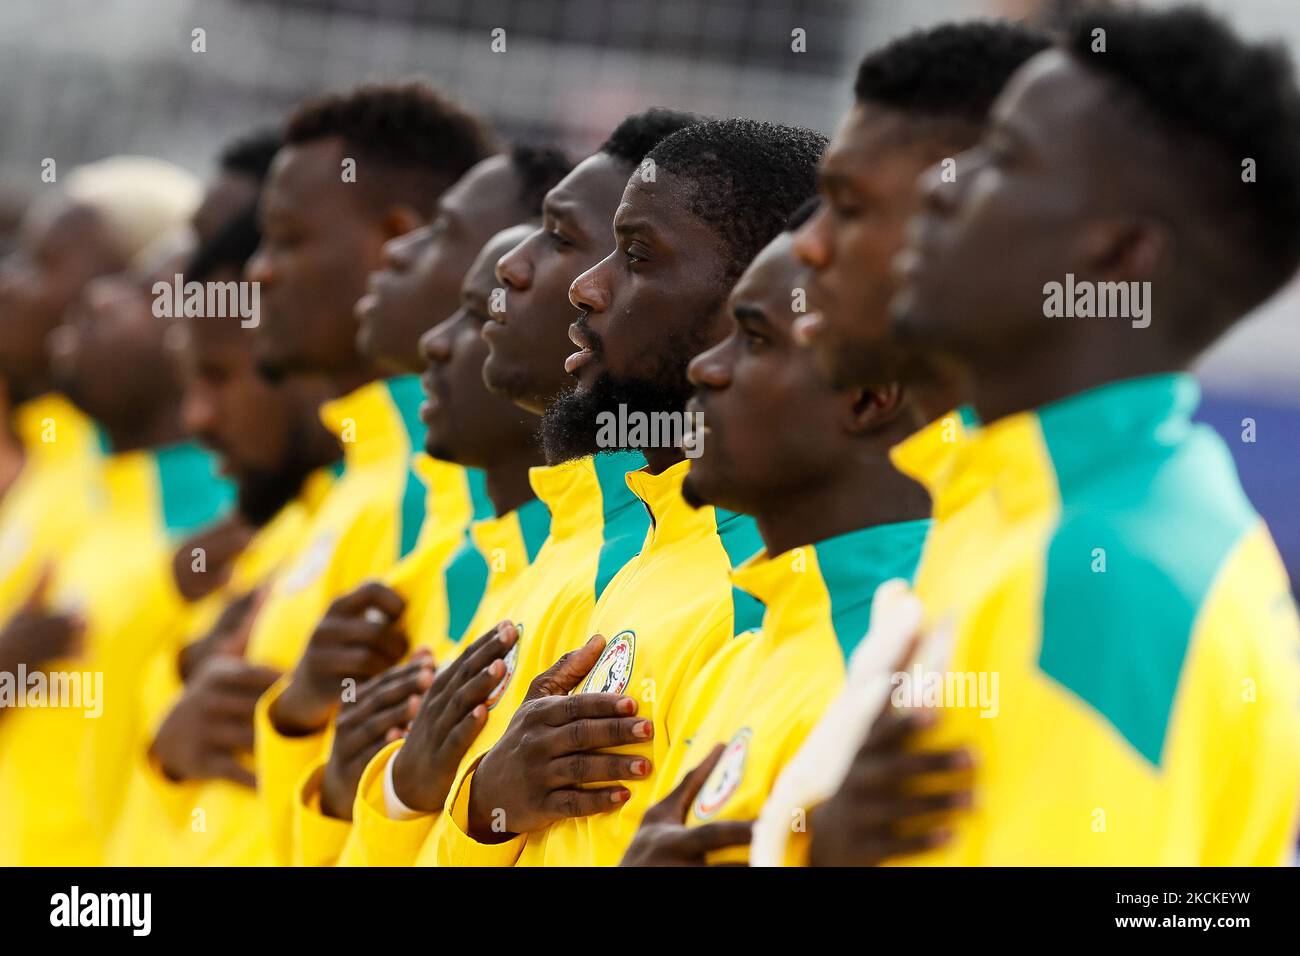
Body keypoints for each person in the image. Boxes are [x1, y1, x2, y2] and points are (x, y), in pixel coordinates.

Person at [818, 5, 1300, 865]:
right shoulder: (1030, 509)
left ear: (1120, 257)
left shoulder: (1098, 574)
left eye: (1003, 158)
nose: (940, 186)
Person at [448, 118, 825, 867]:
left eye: (637, 257)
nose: (585, 287)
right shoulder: (639, 558)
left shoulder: (757, 590)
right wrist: (471, 807)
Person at [335, 109, 702, 867]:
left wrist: (463, 806)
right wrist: (381, 788)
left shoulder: (662, 562)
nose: (512, 271)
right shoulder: (552, 549)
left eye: (563, 239)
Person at [620, 207, 937, 865]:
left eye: (755, 339)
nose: (705, 369)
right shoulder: (750, 645)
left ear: (869, 398)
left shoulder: (903, 670)